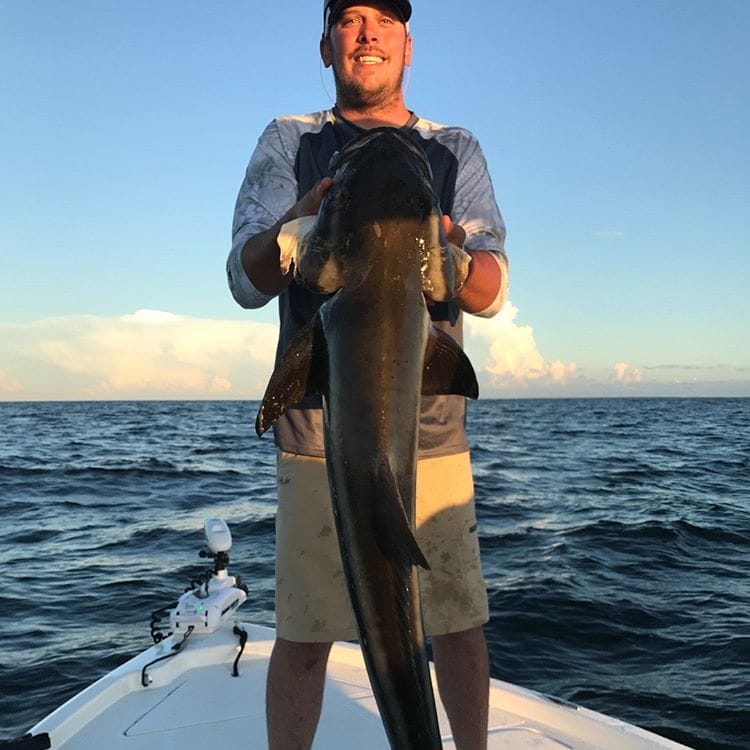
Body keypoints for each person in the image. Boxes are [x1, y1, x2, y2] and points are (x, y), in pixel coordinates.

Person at [226, 1, 508, 747]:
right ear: (326, 47)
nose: (367, 34)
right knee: (305, 635)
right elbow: (245, 278)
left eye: (384, 20)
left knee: (458, 628)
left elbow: (490, 289)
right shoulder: (292, 140)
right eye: (349, 20)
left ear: (408, 45)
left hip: (435, 437)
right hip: (318, 439)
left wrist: (446, 258)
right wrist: (295, 228)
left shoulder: (455, 149)